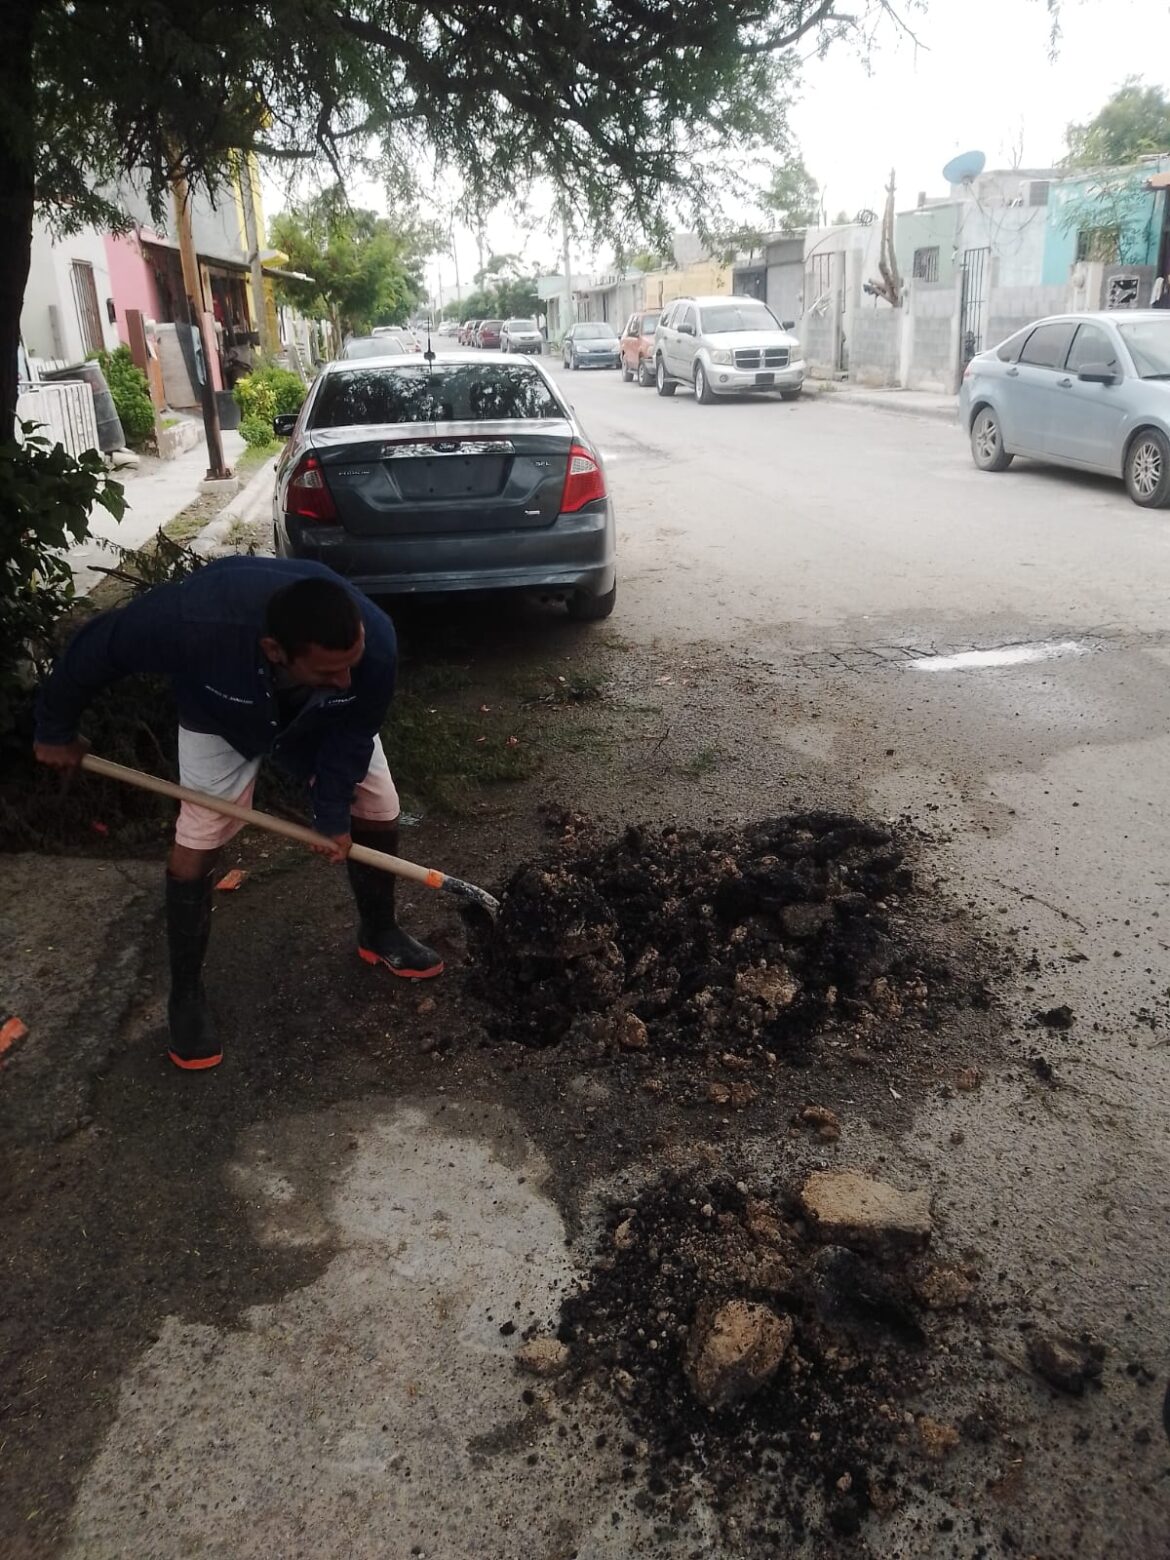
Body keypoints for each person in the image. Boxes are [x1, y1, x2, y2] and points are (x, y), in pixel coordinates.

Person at [33, 557, 442, 1072]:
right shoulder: (189, 621)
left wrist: (330, 815)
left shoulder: (374, 644)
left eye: (350, 665)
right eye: (327, 669)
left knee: (379, 807)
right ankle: (184, 995)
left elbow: (356, 731)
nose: (344, 678)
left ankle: (380, 933)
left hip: (324, 724)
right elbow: (98, 649)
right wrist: (54, 729)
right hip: (220, 716)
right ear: (274, 650)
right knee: (198, 841)